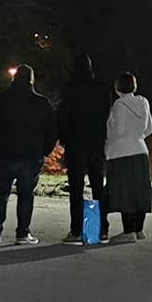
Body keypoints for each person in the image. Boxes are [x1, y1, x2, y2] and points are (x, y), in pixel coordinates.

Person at [0, 63, 57, 244]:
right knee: (26, 195)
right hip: (31, 154)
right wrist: (45, 151)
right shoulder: (41, 103)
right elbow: (52, 130)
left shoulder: (0, 100)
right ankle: (22, 232)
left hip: (4, 153)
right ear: (32, 80)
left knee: (0, 194)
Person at [55, 52, 115, 244]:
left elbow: (63, 115)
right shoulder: (101, 88)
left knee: (76, 187)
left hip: (76, 142)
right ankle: (99, 229)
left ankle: (77, 229)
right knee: (98, 186)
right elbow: (107, 112)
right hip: (96, 141)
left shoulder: (70, 89)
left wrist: (63, 138)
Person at [103, 71, 152, 239]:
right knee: (140, 190)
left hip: (121, 152)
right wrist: (138, 137)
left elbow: (119, 130)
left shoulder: (119, 105)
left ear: (117, 88)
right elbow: (150, 128)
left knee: (125, 191)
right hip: (140, 150)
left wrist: (108, 139)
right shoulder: (144, 102)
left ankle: (128, 231)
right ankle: (139, 229)